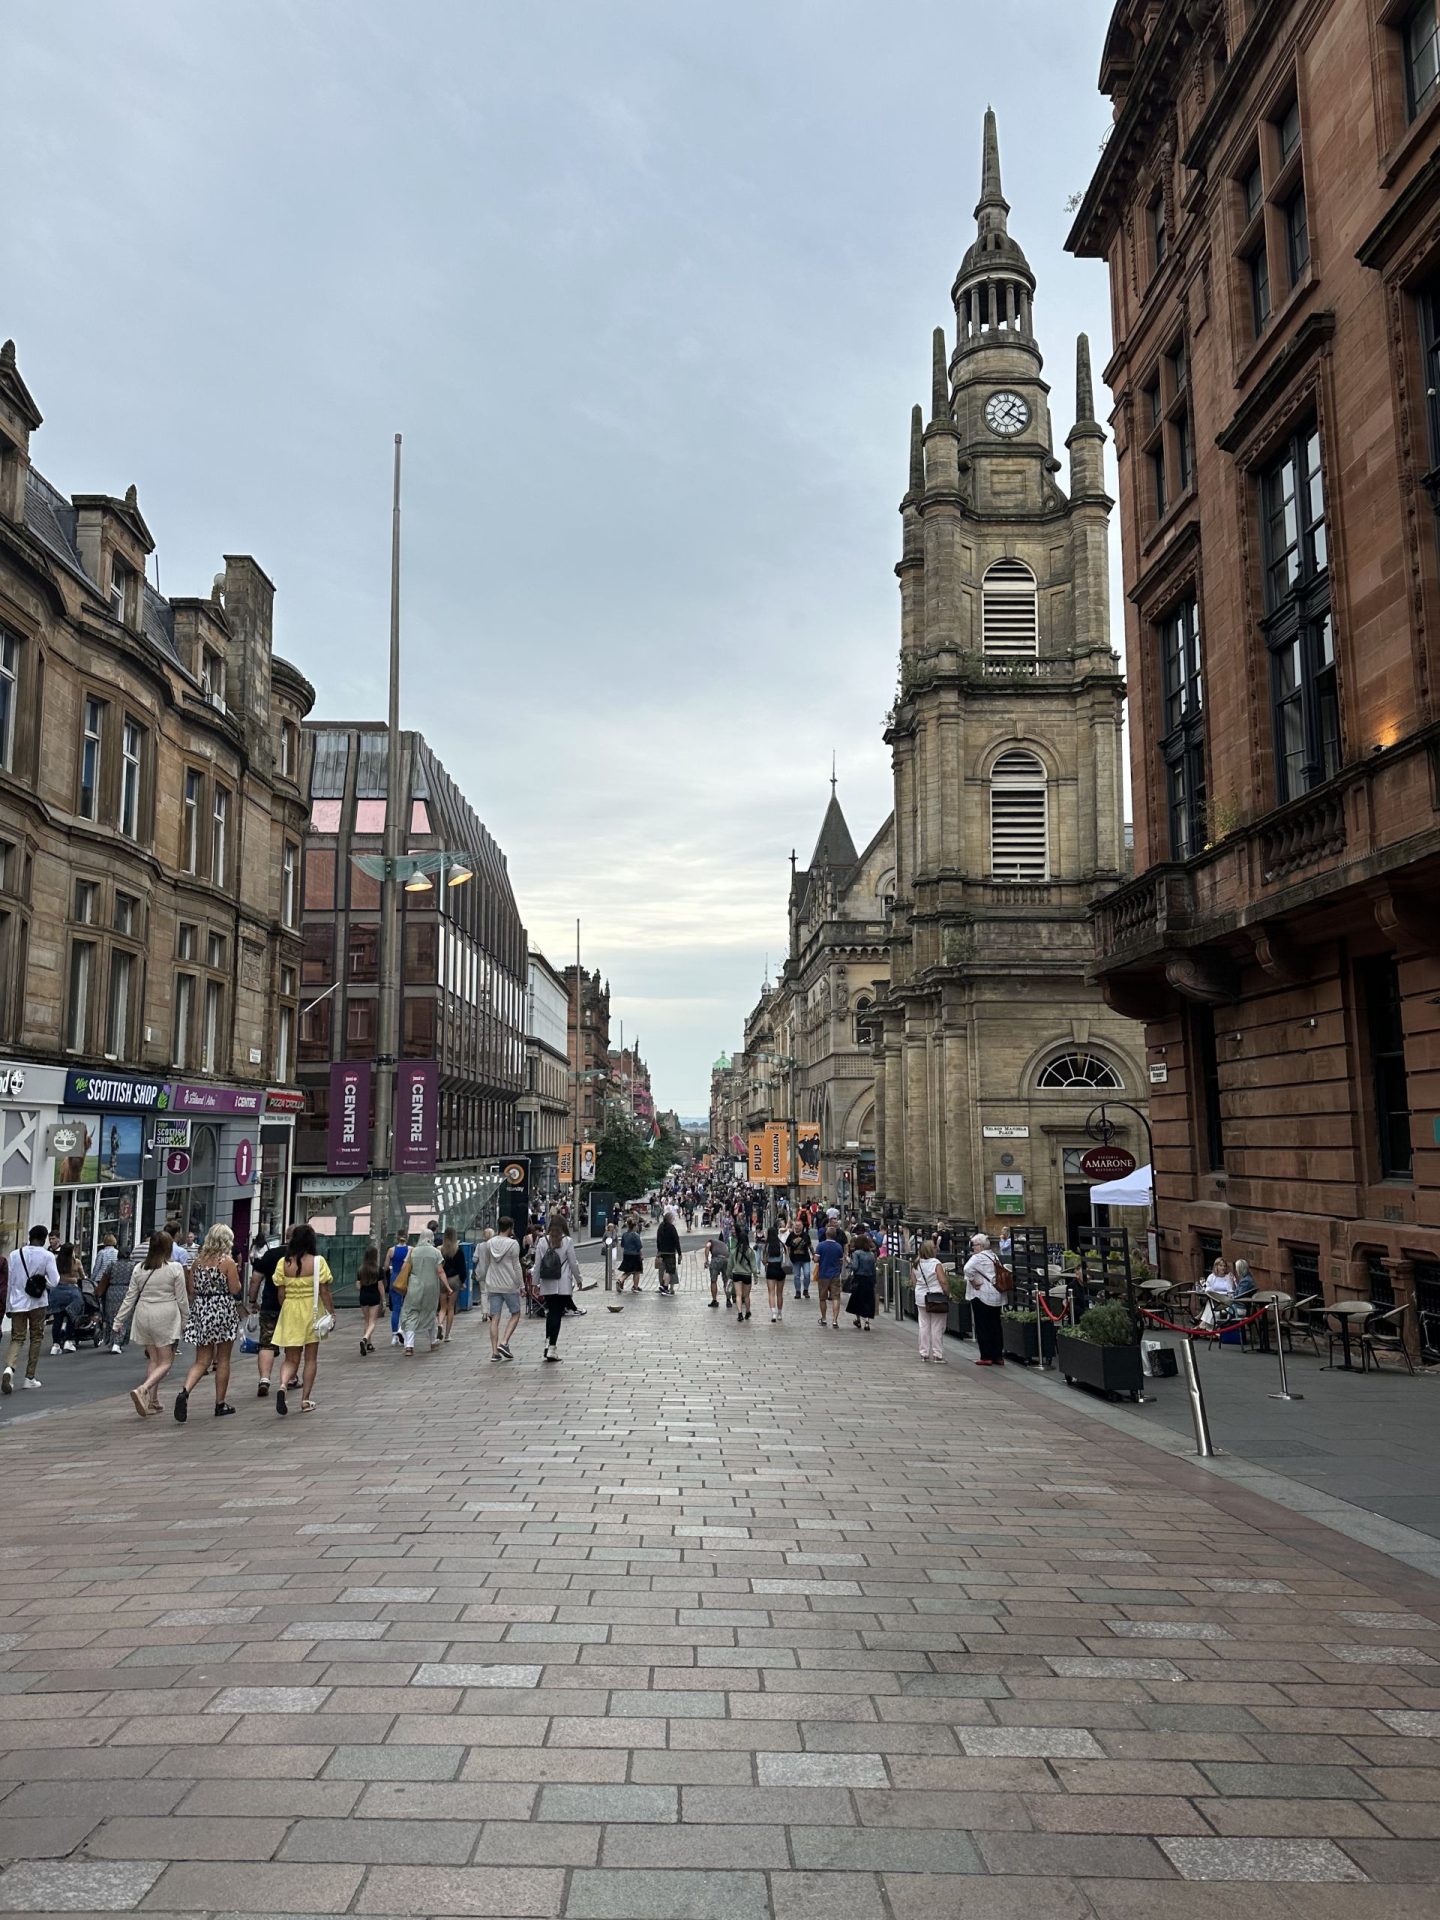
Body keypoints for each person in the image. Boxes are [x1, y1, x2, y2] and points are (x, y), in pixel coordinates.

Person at [110, 1230, 190, 1417]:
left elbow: (130, 1297)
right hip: (165, 1315)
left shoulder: (139, 1268)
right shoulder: (174, 1268)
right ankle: (143, 1389)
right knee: (166, 1362)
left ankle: (153, 1401)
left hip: (143, 1313)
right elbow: (182, 1299)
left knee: (154, 1359)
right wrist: (186, 1320)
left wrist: (118, 1320)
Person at [175, 1224, 242, 1420]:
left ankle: (185, 1392)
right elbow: (235, 1289)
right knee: (223, 1359)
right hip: (222, 1309)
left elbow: (192, 1289)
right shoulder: (227, 1262)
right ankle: (220, 1404)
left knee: (202, 1360)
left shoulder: (197, 1263)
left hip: (202, 1309)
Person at [272, 1223, 334, 1413]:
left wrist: (286, 1308)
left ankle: (283, 1385)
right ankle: (305, 1399)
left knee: (290, 1358)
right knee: (310, 1358)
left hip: (290, 1310)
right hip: (312, 1310)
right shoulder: (318, 1262)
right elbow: (324, 1291)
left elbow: (280, 1293)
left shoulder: (284, 1263)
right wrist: (331, 1313)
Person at [3, 1226, 59, 1394]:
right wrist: (43, 1282)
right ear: (43, 1239)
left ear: (29, 1236)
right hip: (38, 1302)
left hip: (18, 1302)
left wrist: (8, 1306)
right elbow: (55, 1281)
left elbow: (10, 1282)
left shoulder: (14, 1255)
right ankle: (29, 1377)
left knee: (17, 1338)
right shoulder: (47, 1256)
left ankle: (9, 1368)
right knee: (36, 1337)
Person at [535, 1215, 582, 1362]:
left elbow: (537, 1264)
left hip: (547, 1282)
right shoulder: (567, 1241)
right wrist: (578, 1279)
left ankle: (548, 1342)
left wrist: (535, 1283)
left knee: (550, 1313)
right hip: (562, 1284)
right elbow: (573, 1263)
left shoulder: (542, 1241)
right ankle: (552, 1348)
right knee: (556, 1314)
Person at [248, 1230, 288, 1397]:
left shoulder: (271, 1254)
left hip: (270, 1304)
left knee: (266, 1343)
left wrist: (252, 1301)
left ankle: (264, 1379)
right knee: (292, 1344)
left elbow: (255, 1279)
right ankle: (289, 1379)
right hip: (293, 1306)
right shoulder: (304, 1257)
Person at [395, 1228, 446, 1356]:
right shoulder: (436, 1252)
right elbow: (440, 1271)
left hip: (414, 1287)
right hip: (431, 1287)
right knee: (430, 1312)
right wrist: (448, 1287)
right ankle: (433, 1342)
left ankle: (409, 1346)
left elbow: (403, 1268)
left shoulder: (413, 1251)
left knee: (412, 1313)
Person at [483, 1217, 524, 1361]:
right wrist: (522, 1285)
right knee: (516, 1313)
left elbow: (487, 1263)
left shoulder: (489, 1243)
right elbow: (517, 1266)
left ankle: (494, 1352)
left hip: (493, 1284)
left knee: (495, 1317)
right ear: (510, 1228)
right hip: (509, 1285)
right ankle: (504, 1342)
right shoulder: (513, 1244)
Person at [963, 1232, 1006, 1367]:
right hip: (996, 1294)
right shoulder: (994, 1256)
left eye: (974, 1245)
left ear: (980, 1245)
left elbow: (967, 1269)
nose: (973, 1248)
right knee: (995, 1325)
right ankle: (997, 1355)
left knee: (983, 1325)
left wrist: (973, 1281)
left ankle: (986, 1356)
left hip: (981, 1294)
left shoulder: (978, 1257)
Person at [913, 1237, 947, 1364]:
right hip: (936, 1296)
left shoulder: (916, 1263)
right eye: (934, 1247)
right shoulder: (936, 1263)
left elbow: (914, 1281)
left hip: (921, 1296)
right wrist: (947, 1292)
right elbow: (942, 1280)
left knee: (923, 1325)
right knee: (937, 1326)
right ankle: (937, 1354)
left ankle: (924, 1353)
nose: (936, 1248)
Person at [48, 1242, 85, 1354]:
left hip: (57, 1292)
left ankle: (56, 1345)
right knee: (71, 1317)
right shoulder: (76, 1262)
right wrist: (74, 1278)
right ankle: (68, 1341)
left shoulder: (56, 1262)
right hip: (72, 1293)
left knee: (57, 1319)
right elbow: (83, 1276)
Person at [356, 1241, 385, 1354]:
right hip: (374, 1296)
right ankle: (365, 1338)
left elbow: (358, 1285)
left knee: (366, 1320)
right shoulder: (378, 1269)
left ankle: (369, 1344)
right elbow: (380, 1285)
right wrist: (384, 1299)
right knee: (372, 1322)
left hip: (363, 1296)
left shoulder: (361, 1269)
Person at [814, 1226, 845, 1330]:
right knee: (836, 1297)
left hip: (823, 1275)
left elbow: (816, 1259)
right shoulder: (839, 1247)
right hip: (835, 1275)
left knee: (822, 1298)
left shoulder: (821, 1246)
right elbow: (841, 1261)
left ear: (826, 1234)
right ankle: (835, 1320)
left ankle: (823, 1318)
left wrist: (815, 1258)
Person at [847, 1231, 878, 1332]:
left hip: (859, 1279)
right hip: (869, 1279)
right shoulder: (871, 1254)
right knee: (868, 1300)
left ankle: (858, 1319)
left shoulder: (857, 1253)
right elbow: (873, 1269)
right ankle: (867, 1322)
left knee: (857, 1300)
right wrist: (874, 1281)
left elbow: (855, 1267)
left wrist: (849, 1263)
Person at [438, 1229, 465, 1343]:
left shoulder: (440, 1250)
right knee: (451, 1307)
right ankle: (447, 1335)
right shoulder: (458, 1250)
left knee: (442, 1307)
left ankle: (439, 1324)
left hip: (442, 1280)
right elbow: (462, 1268)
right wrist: (462, 1281)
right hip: (454, 1280)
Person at [727, 1224, 756, 1321]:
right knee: (746, 1296)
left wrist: (728, 1274)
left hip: (736, 1274)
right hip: (747, 1275)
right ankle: (747, 1311)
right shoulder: (750, 1252)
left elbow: (730, 1265)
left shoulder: (734, 1251)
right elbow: (754, 1266)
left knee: (738, 1295)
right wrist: (755, 1276)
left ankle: (740, 1313)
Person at [386, 1233, 411, 1346]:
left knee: (396, 1309)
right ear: (407, 1237)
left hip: (395, 1279)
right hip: (406, 1279)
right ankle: (403, 1331)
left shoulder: (391, 1250)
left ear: (397, 1238)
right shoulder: (411, 1249)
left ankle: (394, 1336)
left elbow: (386, 1266)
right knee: (407, 1307)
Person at [763, 1223, 787, 1323]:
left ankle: (773, 1313)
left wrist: (766, 1262)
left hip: (771, 1268)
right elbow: (786, 1258)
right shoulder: (782, 1245)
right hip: (780, 1268)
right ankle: (780, 1313)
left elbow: (764, 1260)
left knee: (771, 1292)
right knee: (780, 1293)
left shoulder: (767, 1245)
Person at [785, 1216, 812, 1302]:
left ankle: (806, 1290)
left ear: (802, 1226)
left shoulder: (806, 1235)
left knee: (807, 1274)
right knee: (796, 1276)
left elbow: (810, 1246)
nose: (797, 1227)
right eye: (796, 1226)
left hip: (805, 1258)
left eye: (799, 1226)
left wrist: (814, 1254)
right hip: (795, 1259)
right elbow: (787, 1245)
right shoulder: (791, 1235)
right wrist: (787, 1255)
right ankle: (798, 1291)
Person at [655, 1209, 682, 1295]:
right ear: (670, 1219)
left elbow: (658, 1240)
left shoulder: (661, 1227)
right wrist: (679, 1253)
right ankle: (665, 1287)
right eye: (673, 1218)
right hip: (670, 1252)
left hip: (662, 1252)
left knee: (662, 1269)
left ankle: (663, 1285)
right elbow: (676, 1241)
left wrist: (659, 1250)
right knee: (669, 1270)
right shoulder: (671, 1227)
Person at [619, 1217, 645, 1293]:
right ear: (634, 1227)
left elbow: (622, 1245)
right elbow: (639, 1246)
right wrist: (641, 1255)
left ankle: (620, 1280)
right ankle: (635, 1287)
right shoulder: (635, 1235)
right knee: (637, 1271)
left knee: (628, 1271)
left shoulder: (624, 1234)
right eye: (636, 1226)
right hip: (635, 1255)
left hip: (626, 1254)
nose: (637, 1227)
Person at [706, 1228, 728, 1309]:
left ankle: (714, 1300)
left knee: (713, 1281)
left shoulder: (711, 1241)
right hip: (726, 1260)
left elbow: (707, 1246)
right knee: (726, 1281)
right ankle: (728, 1300)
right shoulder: (724, 1244)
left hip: (716, 1260)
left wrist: (706, 1260)